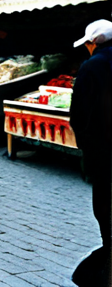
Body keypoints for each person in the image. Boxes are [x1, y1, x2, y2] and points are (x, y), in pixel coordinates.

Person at [70, 19, 112, 287]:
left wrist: (85, 146)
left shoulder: (92, 66)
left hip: (104, 152)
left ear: (93, 42)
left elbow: (80, 115)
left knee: (105, 208)